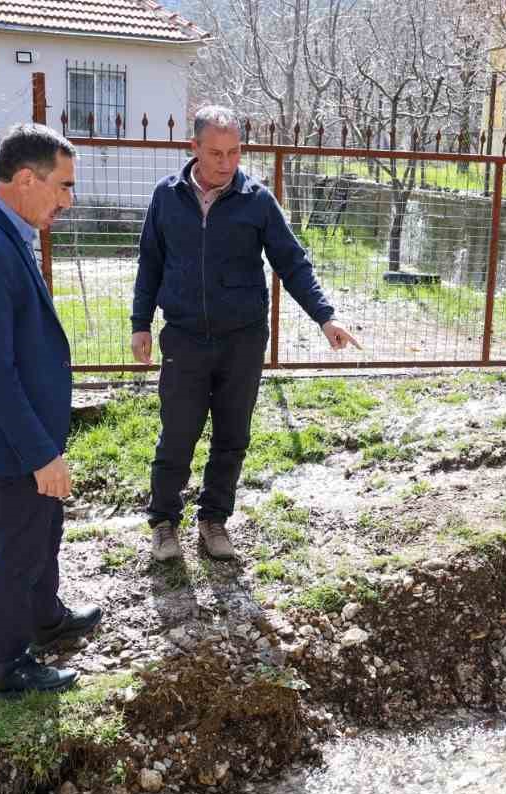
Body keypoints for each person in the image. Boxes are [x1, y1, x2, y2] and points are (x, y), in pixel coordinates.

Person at [130, 104, 360, 563]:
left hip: (242, 339)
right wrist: (141, 323)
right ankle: (164, 523)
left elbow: (291, 262)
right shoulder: (167, 196)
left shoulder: (256, 200)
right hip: (185, 337)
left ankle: (214, 520)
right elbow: (150, 261)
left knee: (232, 435)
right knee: (178, 433)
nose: (226, 163)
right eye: (216, 153)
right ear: (193, 148)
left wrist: (325, 316)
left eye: (234, 152)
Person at [0, 123, 102, 696]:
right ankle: (10, 666)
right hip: (11, 437)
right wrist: (39, 453)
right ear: (26, 179)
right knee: (18, 548)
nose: (68, 200)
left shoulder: (3, 227)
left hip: (30, 428)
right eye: (62, 186)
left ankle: (45, 617)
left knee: (44, 527)